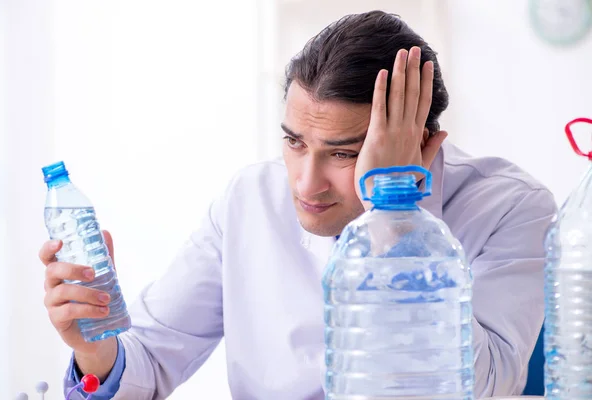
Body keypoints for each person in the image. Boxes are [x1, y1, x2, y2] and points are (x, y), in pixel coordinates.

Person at [39, 10, 557, 400]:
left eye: (344, 154)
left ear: (424, 146)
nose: (307, 184)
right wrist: (93, 346)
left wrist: (393, 210)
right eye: (294, 142)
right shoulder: (247, 202)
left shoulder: (511, 208)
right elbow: (149, 358)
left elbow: (486, 386)